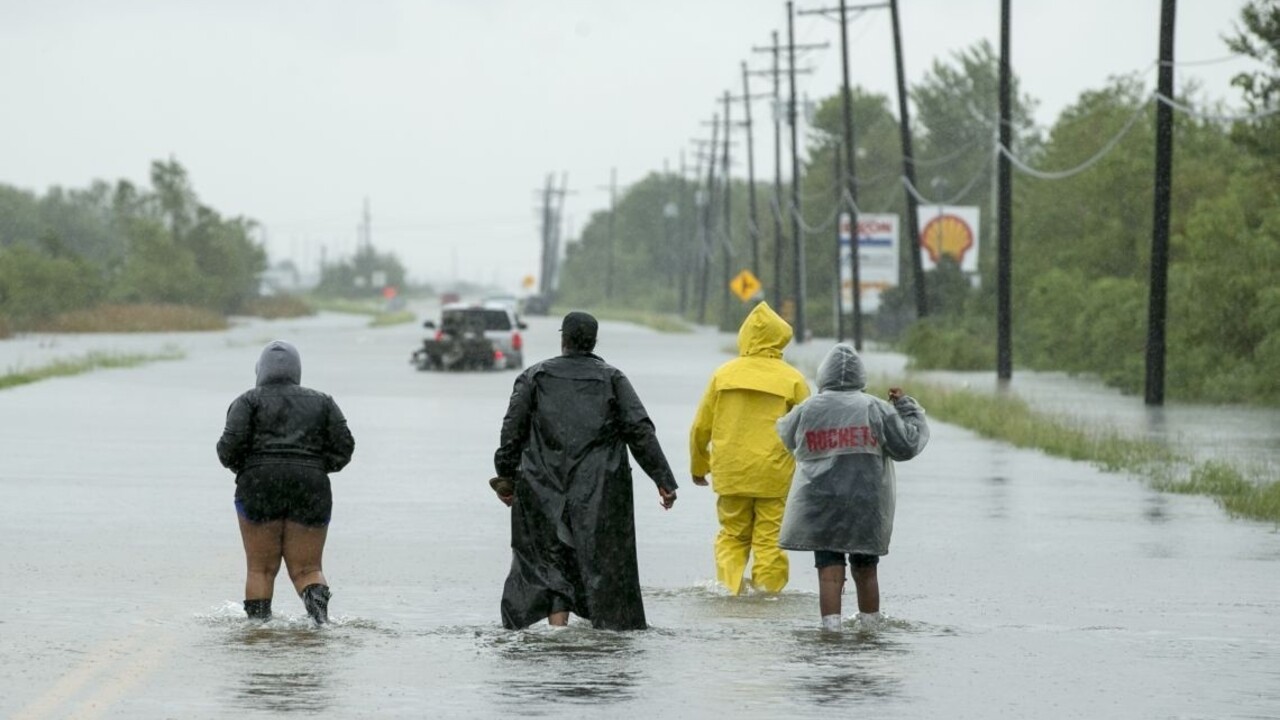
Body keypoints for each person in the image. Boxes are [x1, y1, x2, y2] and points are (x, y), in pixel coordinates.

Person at [492, 311, 678, 631]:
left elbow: (511, 431)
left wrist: (507, 477)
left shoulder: (534, 377)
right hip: (600, 490)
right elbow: (640, 430)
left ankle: (558, 630)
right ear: (593, 341)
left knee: (549, 558)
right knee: (603, 563)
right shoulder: (612, 379)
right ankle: (604, 631)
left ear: (563, 339)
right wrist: (663, 480)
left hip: (542, 486)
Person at [775, 343, 929, 631]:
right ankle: (870, 628)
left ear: (823, 375)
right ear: (861, 375)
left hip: (822, 502)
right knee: (865, 568)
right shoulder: (875, 408)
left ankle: (830, 630)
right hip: (865, 503)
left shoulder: (809, 408)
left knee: (829, 570)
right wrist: (906, 408)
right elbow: (907, 445)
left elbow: (786, 435)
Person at [217, 340, 355, 624]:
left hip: (258, 484)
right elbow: (344, 448)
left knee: (260, 569)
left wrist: (250, 470)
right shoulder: (323, 401)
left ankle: (258, 630)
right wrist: (316, 467)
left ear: (261, 370)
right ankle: (320, 625)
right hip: (310, 484)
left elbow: (227, 449)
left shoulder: (247, 401)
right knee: (308, 569)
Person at [689, 301, 810, 595]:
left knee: (732, 535)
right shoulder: (792, 378)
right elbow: (808, 428)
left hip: (732, 472)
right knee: (770, 540)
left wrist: (699, 466)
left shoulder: (723, 374)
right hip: (775, 474)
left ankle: (729, 592)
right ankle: (767, 595)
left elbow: (700, 427)